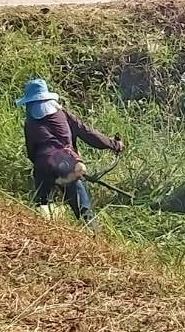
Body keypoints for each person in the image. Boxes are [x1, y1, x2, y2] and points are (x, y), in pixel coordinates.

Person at [15, 78, 123, 226]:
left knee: (43, 213)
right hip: (66, 164)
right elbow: (89, 134)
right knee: (85, 214)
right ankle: (93, 235)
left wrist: (46, 167)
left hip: (42, 166)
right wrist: (115, 145)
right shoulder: (63, 115)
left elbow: (31, 152)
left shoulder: (30, 123)